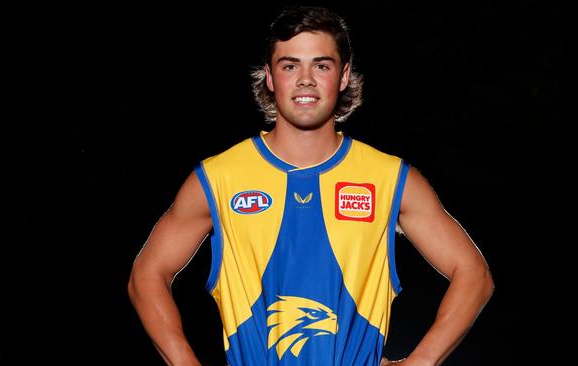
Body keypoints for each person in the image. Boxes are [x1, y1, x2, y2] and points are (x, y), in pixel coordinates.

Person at [128, 5, 494, 366]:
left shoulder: (390, 178)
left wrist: (423, 360)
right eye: (290, 66)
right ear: (270, 78)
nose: (306, 79)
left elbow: (474, 274)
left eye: (321, 65)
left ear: (344, 75)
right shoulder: (218, 177)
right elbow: (146, 274)